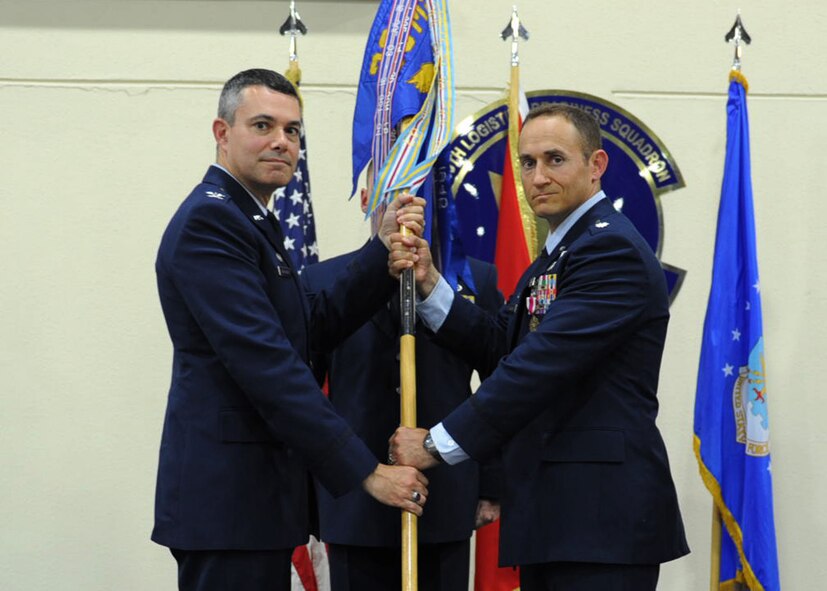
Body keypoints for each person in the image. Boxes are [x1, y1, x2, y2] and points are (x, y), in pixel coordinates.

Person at [389, 104, 689, 591]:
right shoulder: (558, 254)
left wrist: (435, 445)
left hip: (599, 521)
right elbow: (499, 347)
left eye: (555, 159)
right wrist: (428, 284)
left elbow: (536, 368)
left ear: (596, 167)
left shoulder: (610, 251)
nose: (538, 176)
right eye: (527, 163)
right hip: (557, 515)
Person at [151, 68, 429, 591]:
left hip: (254, 502)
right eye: (263, 125)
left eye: (294, 130)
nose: (282, 141)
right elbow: (268, 364)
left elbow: (307, 325)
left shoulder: (250, 219)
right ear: (221, 132)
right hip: (228, 504)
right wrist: (366, 470)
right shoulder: (211, 224)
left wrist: (380, 254)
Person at [300, 174, 504, 591]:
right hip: (353, 502)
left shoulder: (471, 279)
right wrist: (312, 500)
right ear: (364, 198)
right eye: (392, 193)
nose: (405, 205)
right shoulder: (321, 281)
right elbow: (303, 395)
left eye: (416, 193)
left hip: (443, 500)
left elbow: (502, 381)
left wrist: (492, 484)